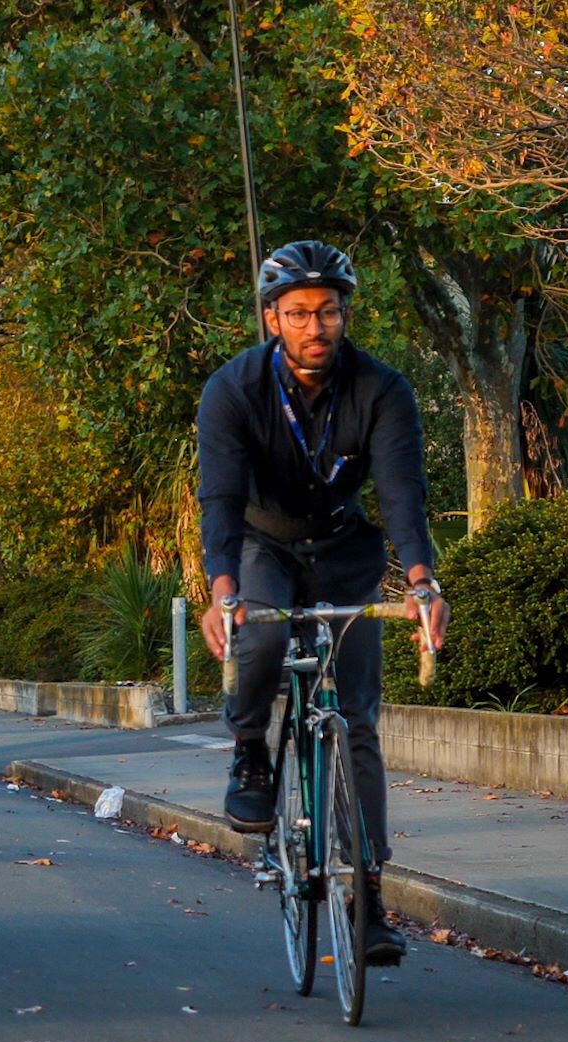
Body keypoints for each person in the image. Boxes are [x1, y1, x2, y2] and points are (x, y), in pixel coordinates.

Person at [195, 240, 450, 966]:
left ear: (345, 316)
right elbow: (219, 501)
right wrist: (223, 594)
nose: (317, 328)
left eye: (329, 312)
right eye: (300, 313)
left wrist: (425, 584)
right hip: (261, 547)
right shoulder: (233, 390)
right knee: (263, 638)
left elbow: (403, 495)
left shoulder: (382, 389)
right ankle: (250, 752)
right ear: (272, 318)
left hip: (343, 551)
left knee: (360, 721)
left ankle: (367, 899)